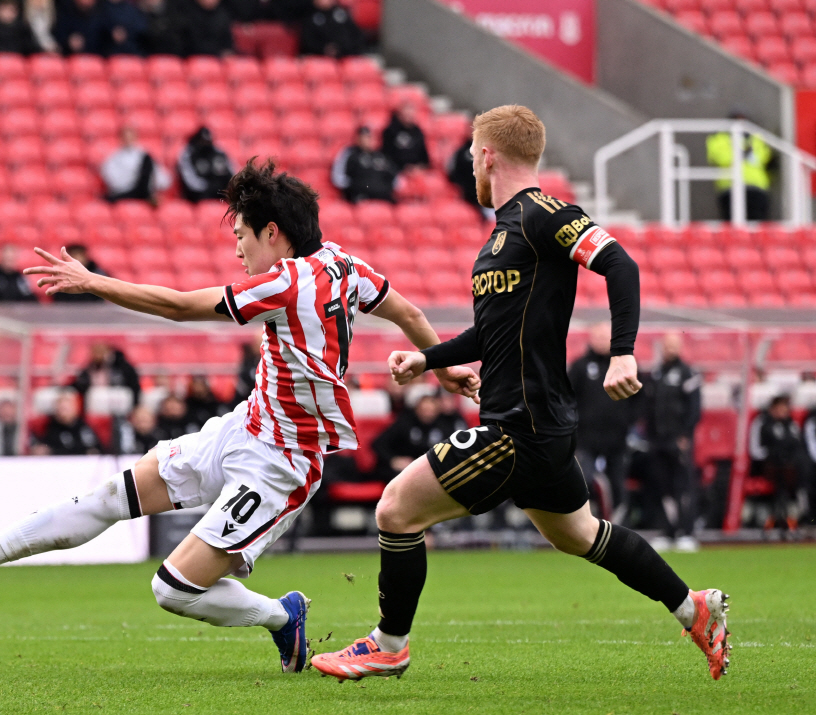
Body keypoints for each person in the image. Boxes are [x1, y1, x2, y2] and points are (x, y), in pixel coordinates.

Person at [0, 159, 480, 676]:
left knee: (172, 588)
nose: (238, 251)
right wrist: (441, 364)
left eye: (242, 236)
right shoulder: (342, 264)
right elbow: (405, 307)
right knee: (111, 496)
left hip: (282, 465)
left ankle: (283, 615)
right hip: (245, 427)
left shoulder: (283, 281)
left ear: (272, 234)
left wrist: (90, 282)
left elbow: (180, 306)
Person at [310, 105, 730, 684]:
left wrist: (623, 350)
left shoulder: (543, 214)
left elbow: (619, 263)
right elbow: (493, 333)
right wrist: (429, 359)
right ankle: (694, 607)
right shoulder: (504, 235)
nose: (468, 170)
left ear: (487, 156)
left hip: (519, 427)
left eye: (470, 159)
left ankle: (389, 643)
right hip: (542, 426)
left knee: (396, 510)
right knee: (580, 535)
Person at [640, 331, 702, 552]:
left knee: (683, 487)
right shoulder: (655, 374)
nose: (670, 350)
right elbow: (648, 408)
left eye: (674, 345)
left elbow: (694, 409)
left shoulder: (688, 374)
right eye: (667, 346)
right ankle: (667, 531)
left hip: (679, 440)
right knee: (662, 487)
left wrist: (685, 435)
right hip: (658, 441)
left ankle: (686, 532)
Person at [568, 321, 636, 522]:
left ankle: (619, 525)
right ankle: (589, 523)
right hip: (586, 440)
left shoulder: (623, 366)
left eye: (606, 337)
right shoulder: (580, 366)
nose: (602, 341)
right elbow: (567, 397)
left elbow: (638, 398)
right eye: (598, 337)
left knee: (618, 485)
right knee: (586, 481)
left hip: (617, 440)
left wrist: (627, 421)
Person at [749, 394, 805, 537]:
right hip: (767, 466)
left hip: (789, 467)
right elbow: (756, 450)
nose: (783, 411)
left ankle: (786, 519)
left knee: (793, 474)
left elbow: (798, 446)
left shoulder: (791, 424)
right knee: (781, 478)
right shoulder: (762, 422)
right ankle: (780, 520)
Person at [706, 109, 773, 222]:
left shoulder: (757, 137)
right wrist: (742, 154)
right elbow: (721, 158)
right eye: (736, 119)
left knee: (758, 223)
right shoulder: (719, 138)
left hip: (757, 186)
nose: (740, 124)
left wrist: (745, 153)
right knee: (732, 222)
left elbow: (764, 157)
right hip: (730, 186)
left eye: (744, 120)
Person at [370, 394, 446, 482]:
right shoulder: (404, 423)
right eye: (424, 410)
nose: (428, 414)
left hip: (425, 470)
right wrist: (393, 460)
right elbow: (378, 444)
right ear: (417, 409)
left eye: (431, 410)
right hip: (400, 469)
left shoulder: (443, 427)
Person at [100, 126, 172, 204]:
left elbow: (163, 180)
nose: (128, 139)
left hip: (144, 193)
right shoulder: (113, 158)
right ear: (121, 138)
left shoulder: (145, 155)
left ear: (135, 137)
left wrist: (152, 187)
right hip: (125, 193)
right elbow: (114, 183)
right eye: (125, 137)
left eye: (130, 137)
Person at [331, 126, 397, 203]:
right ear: (357, 139)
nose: (366, 140)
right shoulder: (350, 154)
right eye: (363, 137)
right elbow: (338, 177)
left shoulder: (381, 156)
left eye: (368, 137)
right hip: (359, 196)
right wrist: (354, 187)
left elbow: (394, 176)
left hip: (382, 196)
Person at [71, 341, 142, 406]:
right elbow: (79, 385)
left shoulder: (122, 367)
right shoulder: (89, 369)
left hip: (117, 403)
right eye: (96, 351)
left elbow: (134, 386)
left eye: (101, 351)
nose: (98, 355)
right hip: (95, 404)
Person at [32, 390, 102, 455]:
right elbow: (48, 449)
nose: (63, 413)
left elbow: (96, 448)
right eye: (60, 409)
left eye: (66, 409)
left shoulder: (83, 427)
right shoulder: (51, 428)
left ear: (74, 408)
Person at [177, 126, 234, 203]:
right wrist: (208, 188)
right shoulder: (189, 154)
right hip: (200, 196)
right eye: (202, 141)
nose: (205, 144)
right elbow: (190, 180)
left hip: (221, 194)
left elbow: (232, 173)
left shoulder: (219, 152)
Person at [298, 0, 364, 57]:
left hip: (344, 55)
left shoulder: (342, 14)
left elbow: (355, 36)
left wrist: (340, 49)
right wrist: (324, 49)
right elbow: (307, 41)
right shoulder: (309, 17)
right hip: (318, 56)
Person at [381, 103, 430, 173]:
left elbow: (424, 157)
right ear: (399, 115)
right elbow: (387, 155)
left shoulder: (418, 132)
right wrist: (403, 168)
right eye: (406, 115)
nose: (408, 117)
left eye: (410, 115)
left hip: (416, 171)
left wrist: (419, 167)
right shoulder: (391, 131)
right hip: (397, 170)